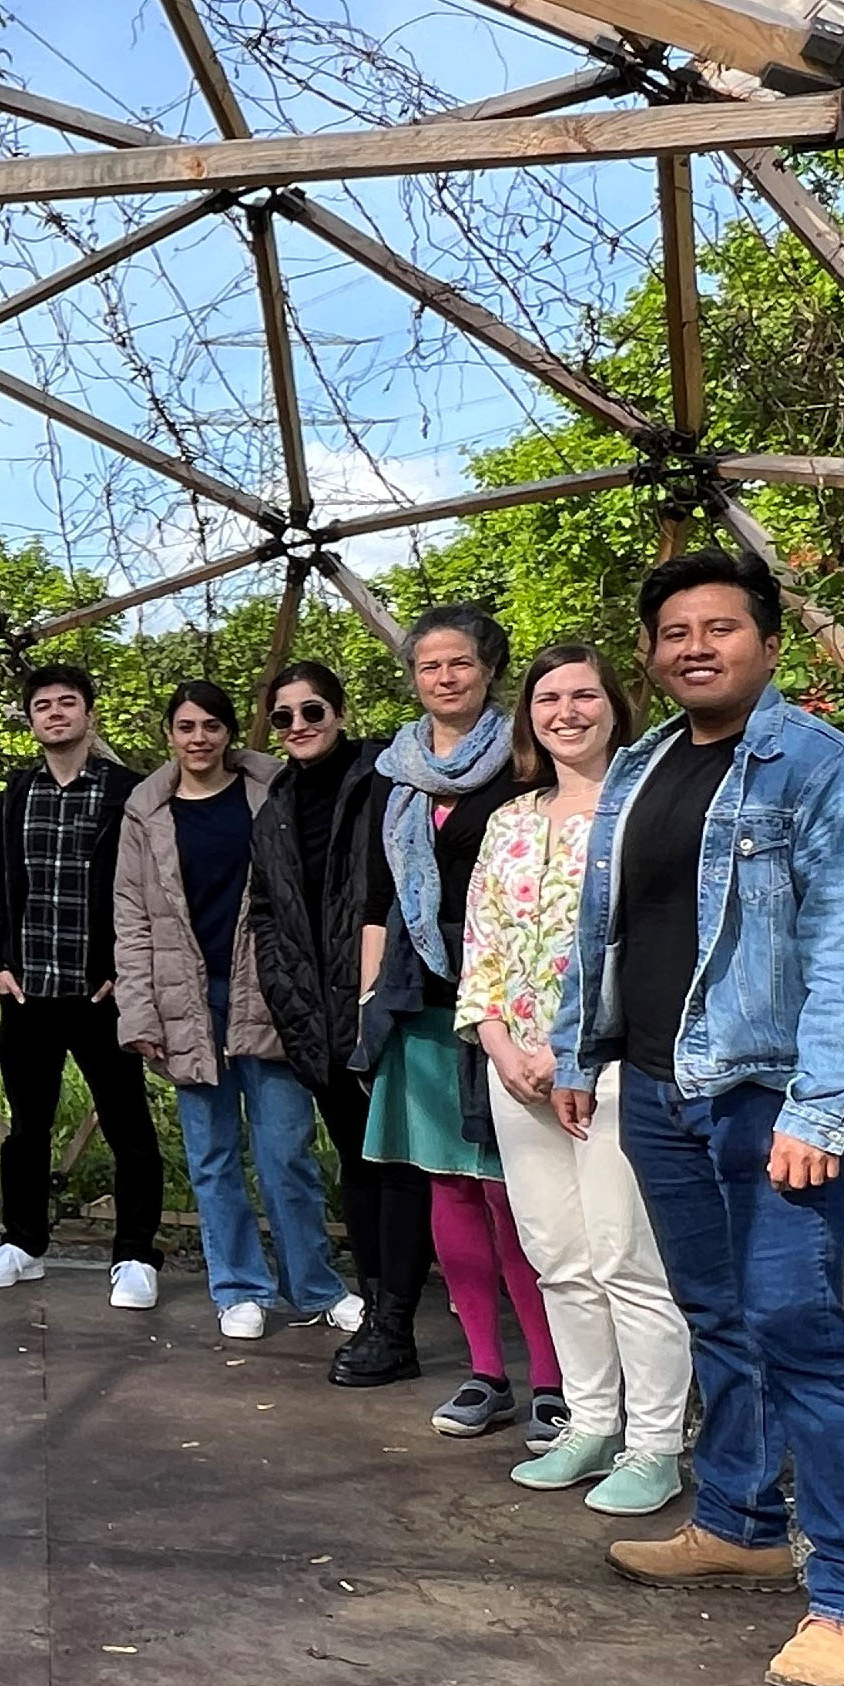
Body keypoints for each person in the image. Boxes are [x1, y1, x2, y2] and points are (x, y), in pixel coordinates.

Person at [557, 550, 844, 1686]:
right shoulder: (650, 764)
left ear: (767, 643)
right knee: (716, 1312)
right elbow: (607, 930)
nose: (695, 645)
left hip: (777, 1096)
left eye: (720, 626)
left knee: (794, 1320)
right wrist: (582, 1052)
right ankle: (743, 1523)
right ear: (652, 654)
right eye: (674, 631)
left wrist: (821, 1107)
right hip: (664, 1088)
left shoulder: (822, 770)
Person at [456, 645, 688, 1516]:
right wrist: (498, 1043)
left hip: (617, 1064)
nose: (566, 711)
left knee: (629, 1256)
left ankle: (656, 1443)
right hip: (516, 1068)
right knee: (559, 1255)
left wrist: (572, 1047)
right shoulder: (511, 821)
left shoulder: (644, 812)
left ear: (615, 707)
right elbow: (479, 945)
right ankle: (589, 1422)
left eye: (584, 694)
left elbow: (659, 940)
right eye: (548, 697)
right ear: (528, 717)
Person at [357, 607, 563, 1442]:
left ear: (489, 670)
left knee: (512, 1190)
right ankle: (486, 1371)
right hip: (415, 1000)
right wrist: (371, 1003)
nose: (444, 678)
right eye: (429, 665)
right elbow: (377, 898)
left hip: (502, 1005)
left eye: (460, 664)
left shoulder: (522, 759)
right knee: (446, 1182)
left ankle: (553, 1378)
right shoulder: (393, 769)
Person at [113, 681, 346, 1341]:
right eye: (186, 726)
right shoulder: (146, 812)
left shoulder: (269, 791)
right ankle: (239, 1287)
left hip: (263, 993)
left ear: (229, 732)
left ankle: (316, 1285)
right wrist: (139, 1014)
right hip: (186, 1000)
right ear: (170, 734)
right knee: (212, 1153)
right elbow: (130, 919)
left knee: (286, 1149)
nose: (198, 738)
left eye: (211, 726)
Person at [245, 661, 420, 1375]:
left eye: (311, 710)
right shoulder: (276, 804)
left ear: (339, 711)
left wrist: (376, 992)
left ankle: (397, 1324)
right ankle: (380, 1311)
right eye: (283, 717)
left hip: (382, 1004)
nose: (298, 727)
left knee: (400, 1162)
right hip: (314, 1017)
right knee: (357, 1160)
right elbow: (266, 913)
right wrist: (287, 997)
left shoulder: (383, 779)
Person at [0, 664, 162, 1306]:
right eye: (43, 705)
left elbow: (147, 886)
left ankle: (136, 1254)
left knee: (127, 1124)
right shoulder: (17, 793)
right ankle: (21, 1244)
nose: (55, 713)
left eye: (67, 703)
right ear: (30, 719)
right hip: (28, 991)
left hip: (98, 993)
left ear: (89, 713)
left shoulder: (126, 792)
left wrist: (122, 968)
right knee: (27, 1126)